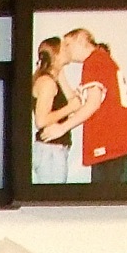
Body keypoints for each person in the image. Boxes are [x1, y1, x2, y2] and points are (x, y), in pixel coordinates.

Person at [62, 28, 127, 185]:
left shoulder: (94, 62)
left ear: (81, 39)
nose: (65, 49)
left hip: (113, 142)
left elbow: (92, 104)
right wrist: (59, 73)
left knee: (107, 194)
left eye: (67, 44)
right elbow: (79, 103)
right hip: (117, 142)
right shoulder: (100, 59)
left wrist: (62, 128)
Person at [31, 38, 85, 184]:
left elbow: (73, 100)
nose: (68, 50)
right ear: (55, 55)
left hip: (55, 150)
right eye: (64, 48)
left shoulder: (55, 77)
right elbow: (41, 121)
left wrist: (60, 73)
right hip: (50, 151)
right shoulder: (47, 82)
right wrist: (69, 108)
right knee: (51, 196)